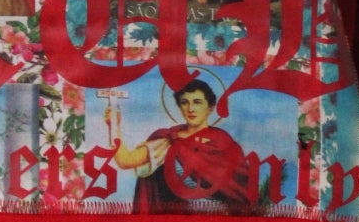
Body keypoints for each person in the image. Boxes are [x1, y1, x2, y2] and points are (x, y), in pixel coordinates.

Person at [108, 73, 253, 211]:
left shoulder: (224, 142)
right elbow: (125, 161)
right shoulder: (167, 139)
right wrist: (113, 126)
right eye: (184, 102)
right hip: (177, 218)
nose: (191, 109)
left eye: (197, 102)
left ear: (210, 107)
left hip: (216, 218)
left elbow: (240, 188)